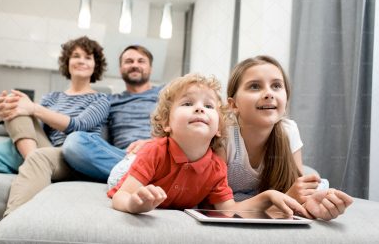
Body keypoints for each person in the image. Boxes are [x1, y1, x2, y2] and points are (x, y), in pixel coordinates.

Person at [109, 74, 310, 216]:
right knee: (128, 163)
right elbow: (121, 195)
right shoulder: (154, 151)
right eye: (188, 104)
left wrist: (268, 197)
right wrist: (133, 204)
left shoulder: (217, 168)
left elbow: (229, 210)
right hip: (125, 172)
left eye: (208, 106)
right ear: (167, 123)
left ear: (219, 128)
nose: (199, 109)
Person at [0, 36, 110, 215]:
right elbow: (32, 128)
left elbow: (79, 125)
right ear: (67, 62)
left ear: (96, 65)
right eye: (76, 56)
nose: (81, 60)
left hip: (72, 157)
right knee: (16, 101)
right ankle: (33, 161)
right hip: (45, 149)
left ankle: (13, 223)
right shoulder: (52, 97)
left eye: (88, 57)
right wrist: (3, 114)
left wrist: (33, 107)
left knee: (25, 110)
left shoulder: (100, 99)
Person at [224, 55, 353, 220]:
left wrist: (310, 207)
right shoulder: (224, 138)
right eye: (255, 86)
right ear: (234, 104)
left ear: (286, 101)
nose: (269, 93)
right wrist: (286, 199)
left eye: (276, 86)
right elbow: (218, 206)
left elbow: (295, 190)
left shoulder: (289, 130)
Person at [62, 45, 163, 182]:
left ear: (150, 68)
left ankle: (135, 175)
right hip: (122, 157)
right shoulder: (109, 101)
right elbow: (81, 121)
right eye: (128, 61)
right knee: (74, 143)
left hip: (159, 153)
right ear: (121, 69)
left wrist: (154, 143)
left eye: (141, 61)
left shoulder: (165, 94)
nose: (135, 65)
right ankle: (144, 175)